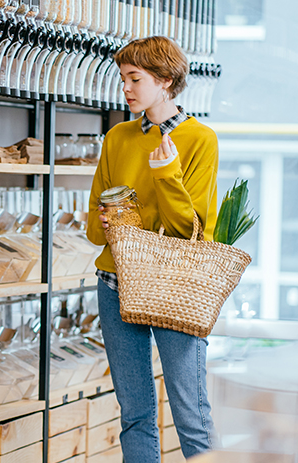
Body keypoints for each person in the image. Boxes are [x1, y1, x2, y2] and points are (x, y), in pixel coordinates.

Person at [86, 36, 219, 462]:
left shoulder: (200, 140)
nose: (125, 88)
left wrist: (165, 173)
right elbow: (93, 224)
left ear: (165, 80)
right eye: (122, 77)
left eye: (134, 78)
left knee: (191, 415)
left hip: (175, 287)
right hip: (114, 283)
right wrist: (110, 223)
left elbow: (190, 231)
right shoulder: (117, 137)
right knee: (135, 414)